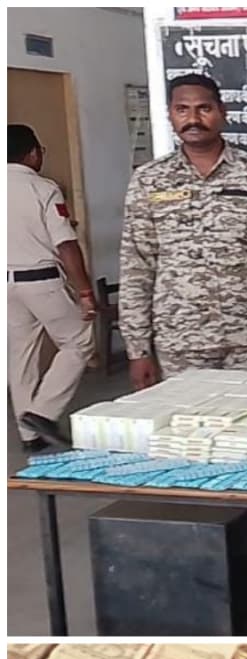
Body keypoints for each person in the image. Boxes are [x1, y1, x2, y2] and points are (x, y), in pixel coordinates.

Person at [119, 74, 247, 388]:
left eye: (203, 108)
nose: (193, 119)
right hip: (180, 341)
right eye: (182, 109)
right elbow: (137, 265)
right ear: (170, 114)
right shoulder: (149, 180)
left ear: (222, 112)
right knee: (185, 418)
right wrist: (138, 349)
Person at [7, 123, 96, 450]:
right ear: (32, 153)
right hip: (40, 280)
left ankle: (29, 436)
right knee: (79, 341)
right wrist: (85, 291)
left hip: (7, 285)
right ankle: (43, 413)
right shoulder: (43, 188)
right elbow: (66, 244)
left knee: (21, 355)